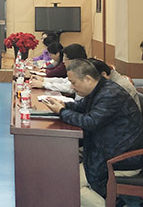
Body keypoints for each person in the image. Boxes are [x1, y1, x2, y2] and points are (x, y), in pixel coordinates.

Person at [43, 59, 143, 206]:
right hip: (106, 153)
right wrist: (64, 105)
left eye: (74, 83)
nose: (72, 87)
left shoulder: (110, 94)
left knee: (69, 183)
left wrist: (62, 112)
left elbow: (89, 122)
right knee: (64, 175)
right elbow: (81, 107)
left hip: (120, 160)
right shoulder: (100, 89)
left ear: (88, 79)